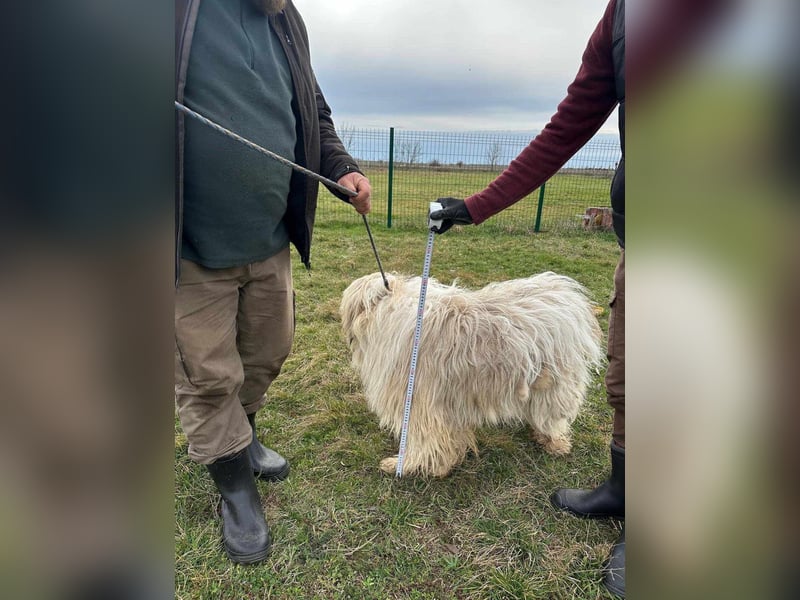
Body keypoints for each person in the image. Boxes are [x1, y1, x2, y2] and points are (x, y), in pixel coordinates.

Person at [430, 0, 625, 596]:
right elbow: (567, 126)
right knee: (630, 375)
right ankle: (627, 489)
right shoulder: (625, 17)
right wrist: (476, 206)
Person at [174, 0, 371, 564]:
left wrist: (340, 166)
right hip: (186, 248)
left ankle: (246, 433)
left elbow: (312, 107)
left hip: (268, 238)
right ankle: (235, 488)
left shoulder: (286, 19)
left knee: (268, 352)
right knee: (208, 373)